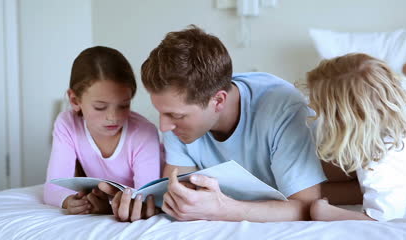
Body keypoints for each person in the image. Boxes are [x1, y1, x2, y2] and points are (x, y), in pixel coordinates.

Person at [99, 25, 326, 222]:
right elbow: (178, 188)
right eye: (161, 113)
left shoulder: (283, 109)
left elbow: (306, 205)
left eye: (176, 116)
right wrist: (144, 204)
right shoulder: (176, 114)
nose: (164, 126)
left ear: (218, 100)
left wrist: (225, 209)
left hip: (336, 172)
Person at [306, 53, 406, 222]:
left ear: (345, 118)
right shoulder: (405, 90)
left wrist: (326, 213)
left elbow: (381, 217)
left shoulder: (378, 163)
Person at [44, 46, 161, 219]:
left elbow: (145, 197)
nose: (113, 117)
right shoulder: (67, 124)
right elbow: (54, 186)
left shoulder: (144, 133)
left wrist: (109, 206)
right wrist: (71, 201)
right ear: (75, 100)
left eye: (124, 105)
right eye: (100, 107)